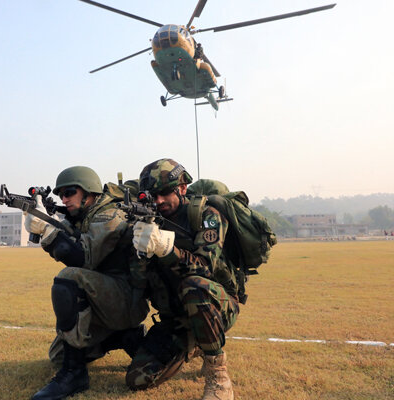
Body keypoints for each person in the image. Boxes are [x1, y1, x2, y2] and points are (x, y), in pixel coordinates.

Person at [25, 166, 149, 400]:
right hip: (105, 301)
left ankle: (74, 374)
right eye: (61, 194)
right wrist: (49, 223)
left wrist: (48, 229)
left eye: (70, 192)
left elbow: (83, 258)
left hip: (126, 300)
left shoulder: (110, 215)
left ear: (89, 192)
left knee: (68, 277)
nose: (64, 199)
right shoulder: (85, 217)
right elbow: (72, 245)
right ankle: (124, 337)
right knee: (58, 355)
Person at [126, 158, 239, 400]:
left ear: (183, 188)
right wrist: (139, 251)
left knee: (195, 286)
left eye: (164, 193)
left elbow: (205, 269)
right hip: (175, 317)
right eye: (151, 195)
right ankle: (195, 342)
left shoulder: (207, 215)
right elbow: (138, 281)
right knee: (137, 379)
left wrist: (166, 250)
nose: (158, 201)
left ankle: (218, 377)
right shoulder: (148, 220)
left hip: (216, 304)